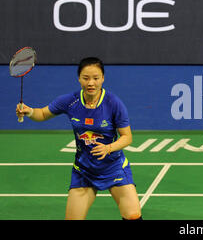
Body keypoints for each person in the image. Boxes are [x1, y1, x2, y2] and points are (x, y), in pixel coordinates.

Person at [16, 57, 142, 220]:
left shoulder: (113, 103)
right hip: (84, 170)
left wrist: (108, 148)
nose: (91, 83)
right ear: (79, 78)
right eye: (86, 78)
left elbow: (127, 137)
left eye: (96, 78)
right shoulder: (70, 101)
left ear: (103, 78)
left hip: (113, 167)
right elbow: (42, 113)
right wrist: (30, 111)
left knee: (133, 216)